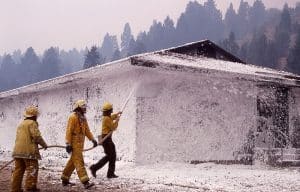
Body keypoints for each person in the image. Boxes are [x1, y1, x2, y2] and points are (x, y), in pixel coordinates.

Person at [61, 99, 97, 189]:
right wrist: (68, 144)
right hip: (74, 143)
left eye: (85, 107)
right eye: (83, 107)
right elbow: (69, 131)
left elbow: (87, 131)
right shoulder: (72, 117)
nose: (85, 109)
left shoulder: (83, 118)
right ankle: (85, 182)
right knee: (79, 162)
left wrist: (92, 139)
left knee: (73, 162)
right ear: (78, 108)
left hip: (80, 143)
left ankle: (64, 179)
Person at [11, 106, 48, 192]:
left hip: (17, 151)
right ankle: (30, 188)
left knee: (18, 171)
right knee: (32, 169)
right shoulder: (32, 123)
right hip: (29, 152)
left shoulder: (21, 124)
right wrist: (44, 144)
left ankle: (15, 189)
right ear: (34, 116)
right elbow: (36, 136)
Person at [89, 102, 121, 179]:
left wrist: (117, 114)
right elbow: (113, 127)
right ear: (109, 110)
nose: (112, 111)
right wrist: (117, 121)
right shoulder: (106, 119)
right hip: (106, 139)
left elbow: (111, 117)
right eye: (111, 110)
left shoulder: (107, 117)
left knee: (111, 156)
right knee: (111, 156)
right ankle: (95, 168)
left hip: (107, 139)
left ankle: (109, 173)